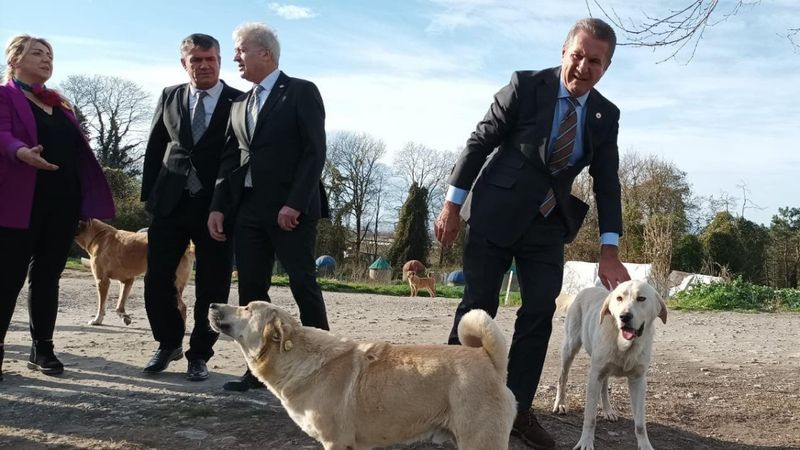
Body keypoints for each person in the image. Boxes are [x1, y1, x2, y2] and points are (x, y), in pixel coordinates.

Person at [433, 18, 631, 449]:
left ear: (606, 66)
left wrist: (609, 249)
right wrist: (451, 205)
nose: (583, 67)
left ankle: (517, 411)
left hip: (547, 224)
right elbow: (479, 142)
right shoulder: (525, 86)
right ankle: (449, 404)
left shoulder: (604, 116)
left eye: (594, 61)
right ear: (564, 51)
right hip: (494, 213)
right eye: (577, 55)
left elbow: (607, 182)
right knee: (477, 308)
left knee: (539, 310)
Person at [208, 22, 330, 392]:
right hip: (248, 210)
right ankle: (258, 368)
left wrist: (294, 203)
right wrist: (217, 206)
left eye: (240, 50)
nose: (235, 58)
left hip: (290, 210)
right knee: (251, 290)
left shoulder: (300, 91)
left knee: (302, 282)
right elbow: (230, 160)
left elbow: (314, 152)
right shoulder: (239, 104)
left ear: (266, 53)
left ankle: (325, 362)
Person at [0, 35, 115, 380]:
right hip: (20, 201)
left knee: (48, 276)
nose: (46, 59)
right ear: (15, 59)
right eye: (37, 53)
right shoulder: (4, 95)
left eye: (50, 55)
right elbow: (1, 133)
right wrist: (20, 151)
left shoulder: (62, 103)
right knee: (7, 278)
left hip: (63, 202)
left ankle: (42, 348)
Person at [140, 34, 243, 381]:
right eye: (195, 59)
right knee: (157, 279)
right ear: (184, 63)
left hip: (216, 206)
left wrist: (230, 204)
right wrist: (150, 198)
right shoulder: (170, 95)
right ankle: (167, 342)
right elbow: (156, 145)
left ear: (219, 60)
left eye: (210, 58)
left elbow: (241, 157)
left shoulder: (239, 101)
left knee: (212, 284)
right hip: (171, 201)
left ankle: (199, 354)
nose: (203, 65)